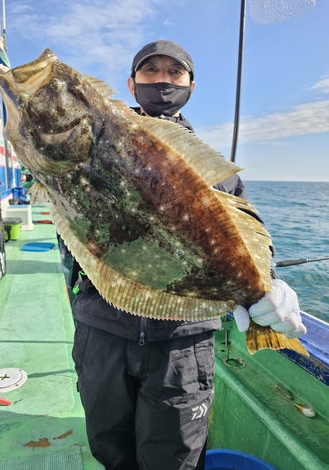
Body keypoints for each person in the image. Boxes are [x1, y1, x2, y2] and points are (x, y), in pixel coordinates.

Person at [71, 40, 307, 470]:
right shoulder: (94, 141)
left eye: (174, 73)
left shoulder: (212, 168)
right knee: (109, 447)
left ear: (191, 86)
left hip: (183, 343)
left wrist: (267, 280)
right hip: (102, 328)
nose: (162, 80)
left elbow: (247, 226)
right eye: (150, 71)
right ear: (131, 83)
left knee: (175, 457)